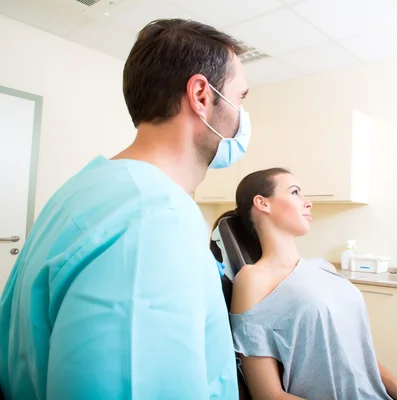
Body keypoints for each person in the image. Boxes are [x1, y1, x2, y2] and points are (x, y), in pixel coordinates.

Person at [0, 19, 249, 400]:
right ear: (202, 95)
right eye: (241, 98)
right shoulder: (154, 218)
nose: (243, 117)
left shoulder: (84, 189)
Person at [212, 168, 397, 400]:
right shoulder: (253, 279)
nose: (308, 202)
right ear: (263, 203)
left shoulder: (324, 267)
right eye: (295, 192)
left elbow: (357, 353)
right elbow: (267, 394)